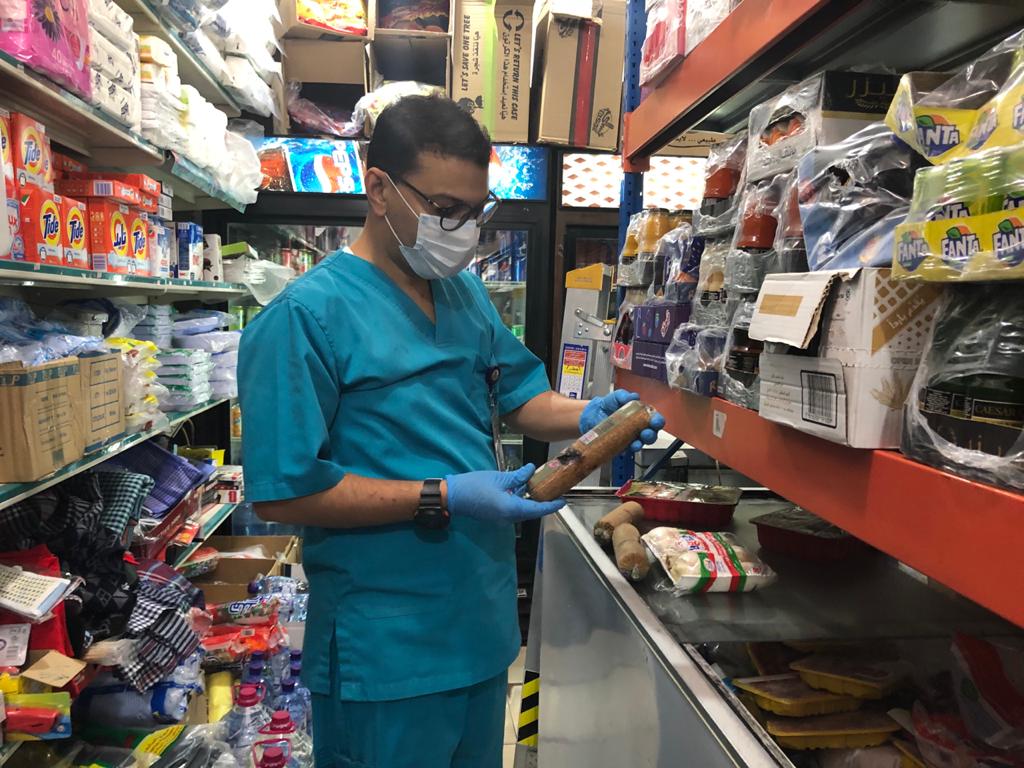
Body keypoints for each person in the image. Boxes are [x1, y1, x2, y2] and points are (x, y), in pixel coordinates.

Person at [238, 95, 664, 768]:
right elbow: (283, 493)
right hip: (387, 652)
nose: (462, 229)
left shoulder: (464, 295)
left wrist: (587, 417)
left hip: (479, 628)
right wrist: (444, 495)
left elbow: (522, 397)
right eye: (444, 208)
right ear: (378, 189)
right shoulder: (304, 318)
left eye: (475, 211)